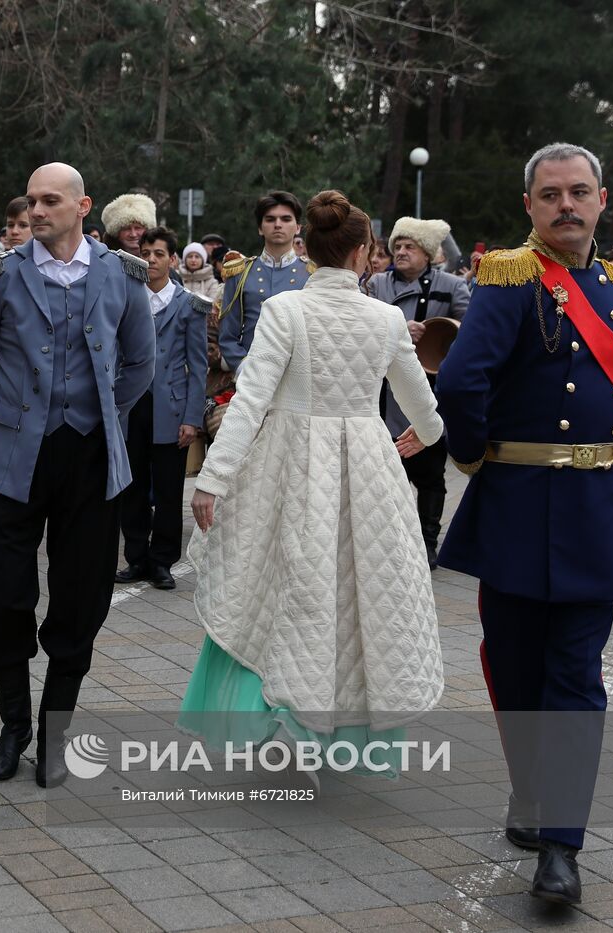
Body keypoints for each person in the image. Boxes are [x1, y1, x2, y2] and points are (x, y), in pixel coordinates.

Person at [437, 143, 613, 905]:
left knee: (576, 677)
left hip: (596, 509)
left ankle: (560, 845)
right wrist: (472, 457)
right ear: (529, 205)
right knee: (517, 667)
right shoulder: (508, 279)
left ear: (598, 203)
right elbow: (462, 380)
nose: (566, 204)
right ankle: (530, 792)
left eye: (579, 191)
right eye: (551, 193)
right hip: (521, 506)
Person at [181, 190, 444, 784]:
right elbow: (421, 404)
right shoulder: (384, 318)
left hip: (289, 459)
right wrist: (426, 435)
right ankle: (341, 727)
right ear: (363, 255)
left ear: (308, 248)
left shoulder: (286, 311)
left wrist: (213, 478)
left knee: (273, 583)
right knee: (357, 592)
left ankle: (276, 716)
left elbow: (249, 400)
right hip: (367, 463)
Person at [0, 162, 155, 788]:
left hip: (93, 458)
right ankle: (14, 723)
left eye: (49, 201)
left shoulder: (122, 275)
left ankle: (55, 731)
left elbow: (140, 364)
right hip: (16, 459)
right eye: (31, 202)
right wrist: (11, 407)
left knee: (82, 595)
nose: (36, 212)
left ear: (82, 206)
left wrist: (99, 412)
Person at [367, 216, 470, 568]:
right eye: (397, 246)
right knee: (381, 475)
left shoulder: (453, 286)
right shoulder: (377, 283)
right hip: (382, 396)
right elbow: (361, 325)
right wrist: (394, 329)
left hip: (430, 395)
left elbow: (468, 334)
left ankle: (427, 542)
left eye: (409, 246)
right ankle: (386, 543)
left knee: (430, 476)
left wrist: (438, 338)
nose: (400, 251)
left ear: (427, 253)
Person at [116, 227, 207, 590]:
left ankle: (163, 560)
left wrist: (192, 417)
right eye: (146, 253)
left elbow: (198, 365)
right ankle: (136, 557)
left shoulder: (188, 304)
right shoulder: (128, 298)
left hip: (171, 407)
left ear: (173, 259)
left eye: (158, 253)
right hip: (132, 404)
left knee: (169, 490)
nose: (151, 259)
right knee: (132, 486)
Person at [217, 191, 311, 371]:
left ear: (298, 227)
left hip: (298, 375)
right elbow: (228, 336)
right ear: (260, 228)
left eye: (286, 219)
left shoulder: (311, 273)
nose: (278, 225)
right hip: (250, 373)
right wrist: (245, 369)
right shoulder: (240, 272)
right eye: (270, 219)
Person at [101, 192, 156, 256]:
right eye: (126, 229)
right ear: (117, 233)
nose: (133, 234)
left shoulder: (160, 260)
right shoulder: (105, 261)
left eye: (138, 228)